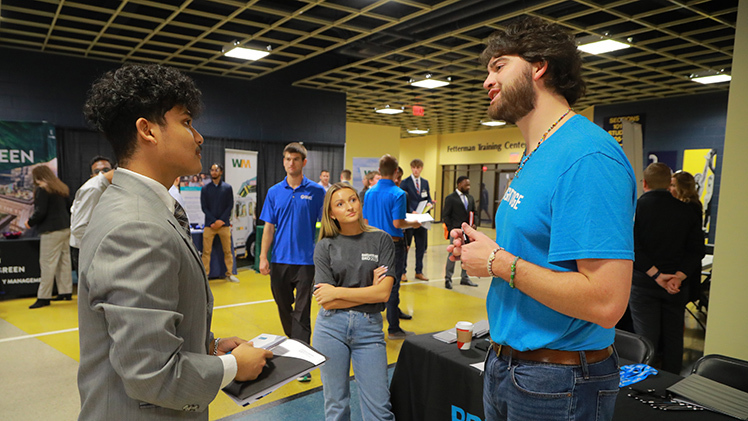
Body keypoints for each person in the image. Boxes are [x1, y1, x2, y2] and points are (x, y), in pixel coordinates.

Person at [449, 17, 636, 421]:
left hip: (559, 380)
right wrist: (486, 256)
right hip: (507, 367)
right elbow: (533, 256)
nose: (486, 80)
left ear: (539, 66)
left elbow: (606, 301)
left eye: (498, 66)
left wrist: (499, 263)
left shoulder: (587, 156)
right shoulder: (538, 152)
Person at [78, 63, 272, 420]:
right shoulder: (136, 226)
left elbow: (151, 331)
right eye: (186, 122)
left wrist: (208, 347)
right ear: (147, 130)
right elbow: (152, 374)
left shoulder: (144, 208)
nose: (198, 137)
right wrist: (232, 367)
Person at [312, 183, 396, 421]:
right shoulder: (324, 246)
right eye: (340, 204)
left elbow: (383, 295)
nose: (349, 207)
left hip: (369, 330)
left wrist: (338, 292)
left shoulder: (381, 239)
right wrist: (369, 290)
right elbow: (325, 301)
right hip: (330, 330)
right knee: (336, 408)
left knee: (380, 410)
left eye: (352, 200)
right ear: (331, 214)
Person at [259, 142, 325, 381]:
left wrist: (320, 250)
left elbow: (325, 225)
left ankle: (301, 361)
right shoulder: (274, 192)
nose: (291, 163)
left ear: (303, 162)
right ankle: (296, 343)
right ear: (283, 161)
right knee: (283, 306)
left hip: (306, 262)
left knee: (302, 310)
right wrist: (263, 256)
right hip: (279, 261)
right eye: (287, 159)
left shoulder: (317, 192)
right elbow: (269, 226)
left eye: (295, 159)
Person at [630, 163, 704, 374]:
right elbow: (696, 249)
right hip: (676, 287)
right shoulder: (687, 211)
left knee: (646, 340)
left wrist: (656, 275)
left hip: (644, 284)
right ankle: (671, 384)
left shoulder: (635, 209)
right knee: (674, 339)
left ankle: (642, 385)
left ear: (644, 183)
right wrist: (677, 277)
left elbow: (633, 247)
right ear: (669, 182)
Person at [362, 154, 420, 340]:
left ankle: (371, 325)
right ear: (396, 172)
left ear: (379, 171)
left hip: (372, 244)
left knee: (373, 283)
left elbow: (365, 221)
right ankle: (394, 328)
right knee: (392, 286)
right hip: (392, 245)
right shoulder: (398, 194)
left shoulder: (369, 192)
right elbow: (397, 223)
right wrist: (414, 224)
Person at [25, 165, 73, 308]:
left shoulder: (42, 189)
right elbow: (68, 207)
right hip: (65, 228)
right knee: (64, 261)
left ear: (36, 176)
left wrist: (30, 222)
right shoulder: (60, 187)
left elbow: (41, 212)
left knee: (47, 263)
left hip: (51, 231)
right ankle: (65, 292)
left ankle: (44, 297)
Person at [69, 156, 115, 271]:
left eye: (105, 169)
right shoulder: (93, 189)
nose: (102, 173)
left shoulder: (106, 188)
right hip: (86, 250)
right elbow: (79, 229)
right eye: (97, 171)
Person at [201, 163, 239, 283]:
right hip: (209, 225)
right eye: (212, 170)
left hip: (224, 225)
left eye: (216, 170)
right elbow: (204, 207)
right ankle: (205, 275)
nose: (213, 172)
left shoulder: (227, 188)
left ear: (221, 172)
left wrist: (221, 221)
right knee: (206, 252)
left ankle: (230, 273)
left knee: (228, 251)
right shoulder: (205, 189)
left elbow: (229, 206)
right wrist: (214, 221)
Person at [399, 159, 432, 281]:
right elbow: (403, 199)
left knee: (421, 246)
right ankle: (403, 271)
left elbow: (428, 197)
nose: (416, 170)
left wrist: (429, 204)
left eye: (418, 168)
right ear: (411, 168)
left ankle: (419, 271)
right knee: (406, 246)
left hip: (422, 219)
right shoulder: (405, 182)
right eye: (414, 168)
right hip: (410, 219)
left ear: (422, 168)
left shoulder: (425, 182)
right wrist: (411, 210)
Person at [442, 176, 477, 289]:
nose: (468, 187)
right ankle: (448, 278)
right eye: (466, 184)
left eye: (469, 184)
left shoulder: (470, 198)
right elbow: (446, 215)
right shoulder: (450, 198)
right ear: (459, 184)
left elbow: (474, 213)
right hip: (456, 232)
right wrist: (451, 228)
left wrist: (474, 224)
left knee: (467, 254)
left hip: (468, 232)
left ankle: (465, 277)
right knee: (453, 253)